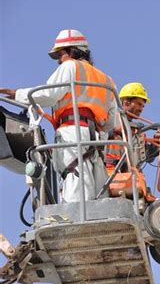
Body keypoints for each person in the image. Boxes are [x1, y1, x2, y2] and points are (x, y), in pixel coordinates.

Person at [0, 29, 116, 203]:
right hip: (98, 138)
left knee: (75, 174)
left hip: (72, 131)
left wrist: (17, 94)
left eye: (60, 55)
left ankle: (75, 220)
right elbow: (110, 121)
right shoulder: (107, 80)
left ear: (72, 51)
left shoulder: (70, 66)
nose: (59, 60)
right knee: (97, 182)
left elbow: (50, 94)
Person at [105, 82, 159, 173]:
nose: (141, 109)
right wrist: (114, 131)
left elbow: (147, 157)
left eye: (143, 106)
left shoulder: (138, 131)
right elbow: (95, 136)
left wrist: (156, 144)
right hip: (109, 174)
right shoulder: (109, 118)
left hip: (130, 179)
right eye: (138, 104)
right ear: (126, 102)